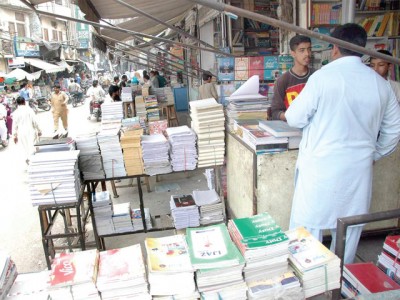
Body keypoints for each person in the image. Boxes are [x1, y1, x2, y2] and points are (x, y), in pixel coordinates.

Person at [285, 23, 400, 264]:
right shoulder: (381, 84)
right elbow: (394, 130)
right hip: (358, 171)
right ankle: (342, 278)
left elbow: (294, 117)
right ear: (362, 49)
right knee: (348, 228)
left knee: (309, 228)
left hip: (320, 168)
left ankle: (310, 278)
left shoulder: (322, 78)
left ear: (335, 47)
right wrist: (373, 154)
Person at [271, 35, 313, 121]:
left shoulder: (317, 76)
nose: (307, 54)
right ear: (293, 53)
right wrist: (292, 116)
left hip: (315, 129)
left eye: (309, 49)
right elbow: (275, 112)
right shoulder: (283, 80)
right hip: (292, 129)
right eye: (302, 50)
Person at [12, 96, 42, 164]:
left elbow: (14, 125)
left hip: (21, 132)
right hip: (30, 130)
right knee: (32, 146)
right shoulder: (29, 110)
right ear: (24, 102)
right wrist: (39, 130)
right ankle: (32, 161)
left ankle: (27, 158)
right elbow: (35, 121)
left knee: (25, 147)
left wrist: (15, 136)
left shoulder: (16, 112)